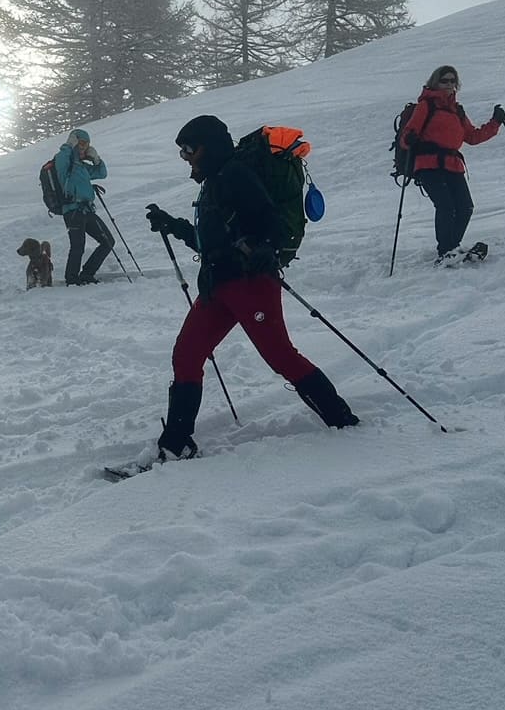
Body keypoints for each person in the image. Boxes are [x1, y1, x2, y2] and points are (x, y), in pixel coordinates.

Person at [143, 115, 358, 458]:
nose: (185, 157)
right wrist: (173, 225)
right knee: (187, 354)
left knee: (280, 356)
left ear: (207, 147)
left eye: (188, 149)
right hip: (218, 285)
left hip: (250, 284)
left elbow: (270, 220)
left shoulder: (236, 175)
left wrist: (266, 249)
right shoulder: (214, 181)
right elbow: (211, 240)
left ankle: (342, 419)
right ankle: (176, 444)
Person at [397, 65, 505, 262]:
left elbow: (472, 136)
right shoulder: (426, 105)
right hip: (428, 164)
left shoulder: (457, 110)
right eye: (444, 80)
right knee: (446, 206)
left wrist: (495, 123)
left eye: (452, 81)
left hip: (452, 165)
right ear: (435, 82)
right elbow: (405, 138)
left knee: (465, 207)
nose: (449, 84)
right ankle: (446, 251)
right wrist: (410, 138)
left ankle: (451, 249)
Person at [56, 127, 115, 286]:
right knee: (78, 246)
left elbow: (101, 173)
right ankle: (72, 279)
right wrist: (69, 145)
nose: (84, 147)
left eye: (86, 144)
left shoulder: (82, 166)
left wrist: (96, 159)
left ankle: (87, 274)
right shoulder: (63, 161)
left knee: (108, 241)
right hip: (72, 210)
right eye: (81, 142)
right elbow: (62, 157)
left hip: (87, 210)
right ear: (74, 142)